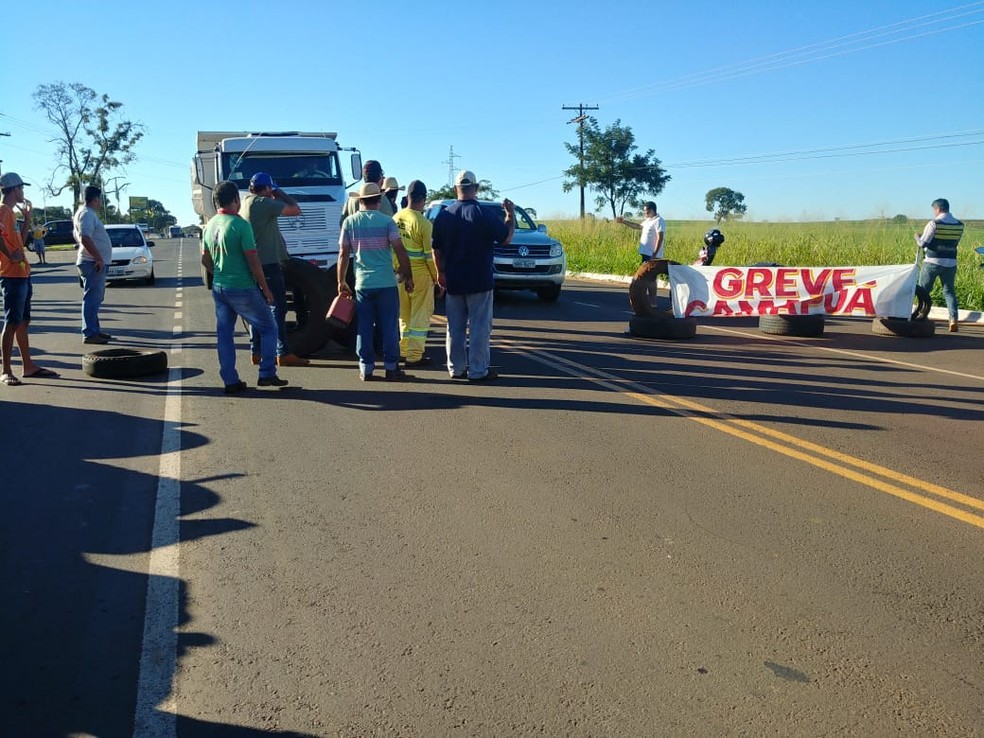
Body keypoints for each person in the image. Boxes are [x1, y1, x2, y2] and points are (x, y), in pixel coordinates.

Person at [201, 181, 288, 393]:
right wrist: (265, 289)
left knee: (225, 334)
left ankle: (230, 380)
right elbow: (253, 260)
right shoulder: (240, 225)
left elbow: (205, 260)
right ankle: (267, 373)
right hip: (242, 287)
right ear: (235, 200)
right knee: (269, 327)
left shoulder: (211, 225)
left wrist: (221, 274)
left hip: (220, 287)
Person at [431, 170, 514, 382]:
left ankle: (456, 369)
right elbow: (505, 239)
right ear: (476, 189)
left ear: (455, 189)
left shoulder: (443, 215)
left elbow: (436, 248)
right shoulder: (483, 214)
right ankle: (478, 371)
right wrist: (510, 216)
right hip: (479, 281)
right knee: (479, 328)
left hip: (454, 281)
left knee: (454, 328)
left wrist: (440, 273)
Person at [337, 182, 414, 381]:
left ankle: (366, 368)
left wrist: (341, 281)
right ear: (379, 201)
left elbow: (343, 254)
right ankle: (391, 367)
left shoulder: (350, 223)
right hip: (387, 283)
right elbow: (400, 250)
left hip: (363, 284)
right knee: (389, 326)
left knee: (364, 326)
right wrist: (408, 276)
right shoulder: (387, 222)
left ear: (360, 201)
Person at [240, 172, 309, 367]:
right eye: (271, 188)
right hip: (268, 263)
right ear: (267, 188)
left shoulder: (247, 202)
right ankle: (283, 352)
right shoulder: (263, 203)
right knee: (278, 307)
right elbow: (296, 209)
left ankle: (257, 351)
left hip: (253, 263)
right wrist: (280, 192)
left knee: (257, 309)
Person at [0, 172, 57, 385]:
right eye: (21, 188)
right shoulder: (3, 211)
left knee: (23, 322)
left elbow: (22, 242)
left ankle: (28, 366)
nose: (23, 192)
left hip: (23, 273)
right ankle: (6, 370)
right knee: (12, 322)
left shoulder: (12, 214)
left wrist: (28, 219)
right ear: (14, 189)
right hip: (11, 275)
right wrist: (8, 255)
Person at [393, 180, 441, 366]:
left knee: (404, 315)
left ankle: (403, 351)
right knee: (420, 317)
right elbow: (430, 257)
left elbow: (391, 249)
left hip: (399, 274)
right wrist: (437, 279)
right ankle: (414, 355)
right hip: (420, 276)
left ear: (407, 197)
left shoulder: (396, 218)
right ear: (424, 199)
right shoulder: (424, 224)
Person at [915, 198, 964, 332]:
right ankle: (953, 319)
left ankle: (921, 316)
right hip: (950, 263)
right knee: (949, 292)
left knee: (923, 291)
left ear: (938, 209)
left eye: (934, 210)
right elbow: (955, 243)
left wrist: (917, 238)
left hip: (932, 262)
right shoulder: (960, 225)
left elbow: (923, 244)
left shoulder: (933, 224)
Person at [73, 185, 114, 344]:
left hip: (92, 261)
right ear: (95, 199)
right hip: (91, 262)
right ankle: (90, 333)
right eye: (100, 200)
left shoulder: (85, 214)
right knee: (91, 298)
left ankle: (94, 329)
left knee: (95, 298)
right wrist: (98, 257)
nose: (101, 203)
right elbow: (85, 238)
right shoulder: (87, 214)